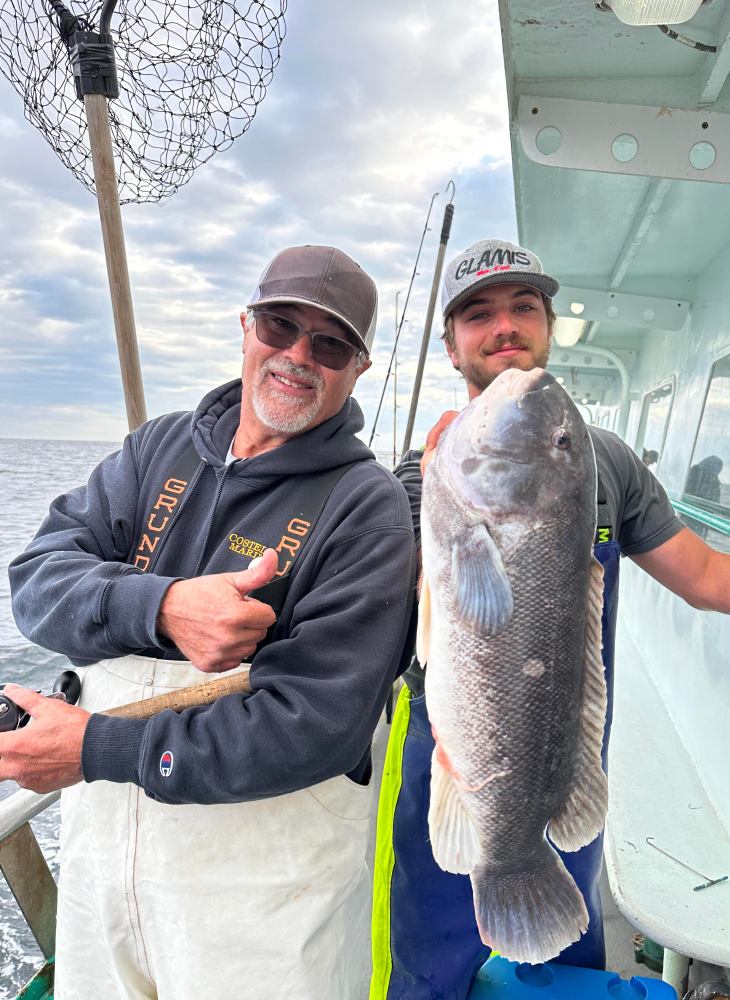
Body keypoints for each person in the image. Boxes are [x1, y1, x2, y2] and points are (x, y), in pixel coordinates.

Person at [3, 244, 417, 1000]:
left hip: (265, 899)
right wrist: (162, 606)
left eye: (329, 344)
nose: (297, 355)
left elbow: (317, 723)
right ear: (245, 325)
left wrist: (95, 746)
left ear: (358, 368)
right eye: (279, 325)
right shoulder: (156, 446)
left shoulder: (370, 508)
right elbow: (34, 582)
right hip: (103, 867)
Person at [370, 238, 730, 1000]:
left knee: (559, 974)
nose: (504, 326)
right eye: (478, 314)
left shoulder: (609, 462)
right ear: (451, 344)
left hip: (565, 750)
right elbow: (376, 609)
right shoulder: (419, 473)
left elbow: (702, 576)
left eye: (522, 307)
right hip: (445, 744)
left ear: (547, 326)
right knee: (430, 961)